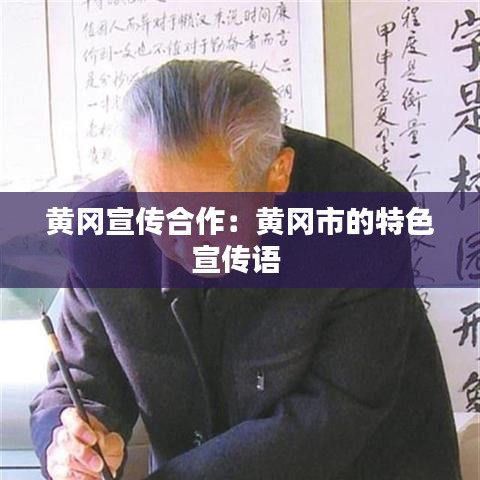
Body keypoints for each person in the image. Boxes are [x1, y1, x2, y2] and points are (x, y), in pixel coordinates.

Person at [30, 60, 462, 480]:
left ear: (278, 173)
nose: (182, 240)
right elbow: (81, 381)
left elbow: (339, 409)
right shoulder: (100, 231)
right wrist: (68, 444)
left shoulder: (362, 215)